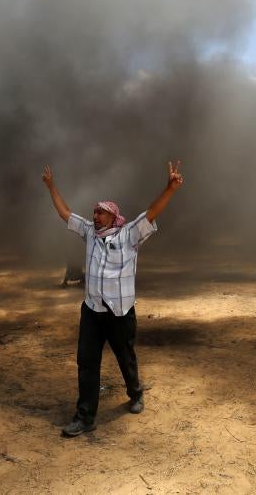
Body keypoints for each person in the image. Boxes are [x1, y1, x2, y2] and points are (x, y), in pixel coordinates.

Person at [42, 161, 184, 437]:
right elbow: (65, 213)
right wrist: (51, 187)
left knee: (125, 357)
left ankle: (135, 392)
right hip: (93, 311)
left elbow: (152, 213)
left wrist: (170, 188)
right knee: (87, 361)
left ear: (113, 217)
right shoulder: (89, 235)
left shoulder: (129, 234)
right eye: (94, 212)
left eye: (101, 213)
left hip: (120, 312)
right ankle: (85, 417)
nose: (95, 216)